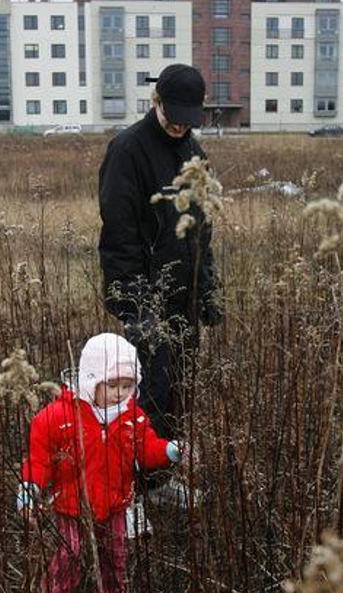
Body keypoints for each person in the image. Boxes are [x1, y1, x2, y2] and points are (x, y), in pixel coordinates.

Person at [98, 64, 222, 451]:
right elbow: (119, 237)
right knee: (150, 391)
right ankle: (140, 482)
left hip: (184, 297)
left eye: (188, 119)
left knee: (181, 386)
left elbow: (202, 230)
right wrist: (136, 304)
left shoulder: (193, 151)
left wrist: (207, 290)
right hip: (147, 296)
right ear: (155, 102)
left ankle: (166, 465)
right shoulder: (127, 150)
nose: (179, 126)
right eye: (173, 116)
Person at [19, 333, 184, 593]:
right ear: (91, 380)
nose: (121, 393)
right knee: (69, 553)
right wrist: (30, 488)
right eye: (112, 385)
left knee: (115, 555)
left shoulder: (132, 416)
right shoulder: (57, 417)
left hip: (115, 503)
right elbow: (40, 459)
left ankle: (112, 588)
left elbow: (146, 449)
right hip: (71, 504)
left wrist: (169, 450)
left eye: (128, 386)